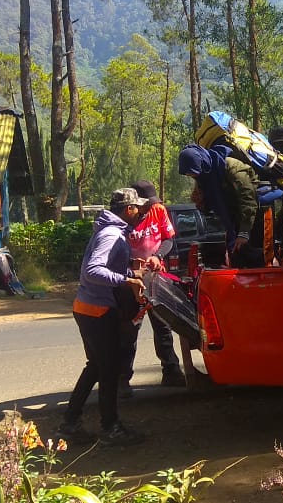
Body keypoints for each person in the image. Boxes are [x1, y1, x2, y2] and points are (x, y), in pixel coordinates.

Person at [56, 188, 148, 447]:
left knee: (96, 367)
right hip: (97, 311)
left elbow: (103, 266)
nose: (140, 212)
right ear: (128, 209)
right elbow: (93, 271)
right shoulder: (111, 234)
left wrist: (130, 266)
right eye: (137, 208)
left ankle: (69, 423)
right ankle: (110, 428)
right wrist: (126, 279)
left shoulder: (110, 231)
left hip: (87, 308)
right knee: (108, 370)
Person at [117, 179, 184, 398]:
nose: (148, 207)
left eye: (151, 203)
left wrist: (157, 256)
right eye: (144, 204)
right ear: (134, 204)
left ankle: (171, 371)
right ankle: (122, 380)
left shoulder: (158, 210)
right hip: (132, 280)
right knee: (129, 329)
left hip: (156, 276)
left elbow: (167, 239)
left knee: (163, 325)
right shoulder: (124, 219)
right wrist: (131, 265)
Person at [178, 144, 265, 268]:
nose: (193, 176)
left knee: (256, 261)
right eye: (190, 174)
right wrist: (202, 202)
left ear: (201, 162)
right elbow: (217, 206)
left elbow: (248, 199)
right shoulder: (204, 176)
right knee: (237, 258)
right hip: (233, 223)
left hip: (255, 218)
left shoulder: (231, 167)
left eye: (193, 173)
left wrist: (244, 233)